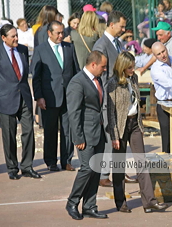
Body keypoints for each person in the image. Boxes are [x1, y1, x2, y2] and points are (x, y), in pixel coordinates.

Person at [107, 51, 169, 213]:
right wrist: (114, 135)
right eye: (129, 68)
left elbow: (136, 104)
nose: (132, 70)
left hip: (134, 123)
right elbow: (110, 113)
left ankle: (149, 201)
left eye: (133, 67)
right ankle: (120, 202)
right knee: (119, 165)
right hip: (120, 127)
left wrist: (140, 126)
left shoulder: (133, 78)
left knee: (141, 163)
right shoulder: (112, 83)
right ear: (121, 67)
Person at [0, 24, 41, 180]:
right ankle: (12, 168)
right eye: (13, 36)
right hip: (6, 100)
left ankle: (27, 166)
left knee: (28, 132)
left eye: (17, 35)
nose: (16, 38)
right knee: (9, 135)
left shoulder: (22, 50)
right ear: (4, 38)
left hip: (24, 98)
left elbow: (24, 75)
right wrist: (4, 89)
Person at [93, 10, 138, 187]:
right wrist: (103, 97)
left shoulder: (117, 43)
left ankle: (120, 172)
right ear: (111, 25)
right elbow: (99, 73)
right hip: (109, 96)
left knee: (120, 135)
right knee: (110, 135)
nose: (123, 29)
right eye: (121, 26)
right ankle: (103, 175)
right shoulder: (101, 45)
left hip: (121, 97)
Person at [65, 50, 108, 220]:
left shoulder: (97, 80)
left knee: (95, 169)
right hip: (85, 134)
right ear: (93, 65)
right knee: (86, 168)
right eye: (103, 67)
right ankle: (72, 202)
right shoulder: (77, 82)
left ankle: (90, 205)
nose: (105, 69)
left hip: (98, 132)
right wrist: (78, 137)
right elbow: (73, 112)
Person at [31, 21, 79, 172]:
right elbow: (36, 76)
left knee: (68, 130)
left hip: (68, 97)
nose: (60, 36)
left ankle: (67, 160)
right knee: (50, 130)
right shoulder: (40, 50)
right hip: (49, 97)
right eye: (57, 33)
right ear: (49, 33)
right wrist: (39, 97)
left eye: (62, 33)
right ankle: (51, 161)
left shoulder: (69, 48)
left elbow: (76, 72)